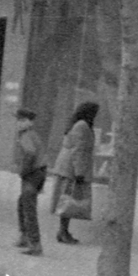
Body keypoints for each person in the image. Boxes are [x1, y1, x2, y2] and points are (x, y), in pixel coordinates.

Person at [51, 101, 100, 245]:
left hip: (69, 167)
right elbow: (78, 150)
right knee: (68, 201)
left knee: (67, 201)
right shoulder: (82, 126)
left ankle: (63, 231)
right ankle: (63, 231)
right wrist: (79, 173)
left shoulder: (78, 124)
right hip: (71, 169)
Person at [14, 107, 46, 255]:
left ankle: (34, 243)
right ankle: (25, 236)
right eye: (18, 120)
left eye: (23, 120)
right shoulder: (32, 134)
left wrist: (23, 171)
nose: (19, 123)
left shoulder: (26, 136)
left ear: (30, 122)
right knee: (23, 203)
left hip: (32, 173)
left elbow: (30, 153)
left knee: (28, 207)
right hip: (39, 172)